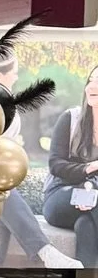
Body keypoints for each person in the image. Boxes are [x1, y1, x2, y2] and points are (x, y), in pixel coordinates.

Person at [42, 63, 98, 266]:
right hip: (60, 196)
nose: (92, 86)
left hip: (93, 197)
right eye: (91, 80)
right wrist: (90, 167)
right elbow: (55, 165)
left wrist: (90, 189)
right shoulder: (71, 119)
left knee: (85, 225)